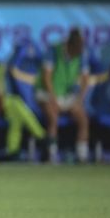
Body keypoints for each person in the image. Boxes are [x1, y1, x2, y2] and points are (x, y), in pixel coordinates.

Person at [37, 28, 90, 163]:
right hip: (46, 92)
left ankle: (82, 155)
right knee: (53, 117)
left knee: (83, 119)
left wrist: (79, 99)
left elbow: (85, 80)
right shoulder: (53, 50)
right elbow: (46, 77)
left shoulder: (82, 54)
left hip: (67, 94)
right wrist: (53, 98)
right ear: (69, 45)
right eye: (76, 50)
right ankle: (52, 154)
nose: (77, 53)